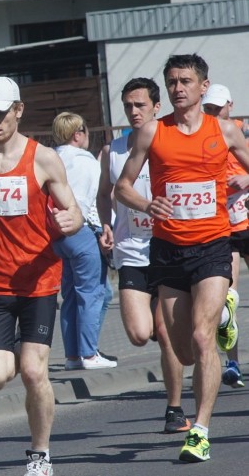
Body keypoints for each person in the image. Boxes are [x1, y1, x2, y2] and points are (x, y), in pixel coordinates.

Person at [114, 54, 249, 463]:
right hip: (168, 249)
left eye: (185, 81)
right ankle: (227, 314)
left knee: (201, 338)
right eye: (172, 81)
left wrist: (244, 179)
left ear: (203, 86)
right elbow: (122, 187)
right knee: (184, 352)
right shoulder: (152, 133)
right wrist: (146, 203)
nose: (177, 88)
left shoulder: (225, 130)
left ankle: (201, 430)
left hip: (212, 246)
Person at [0, 76, 83, 476]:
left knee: (33, 370)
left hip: (39, 282)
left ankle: (39, 455)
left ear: (18, 110)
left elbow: (74, 212)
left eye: (1, 112)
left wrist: (68, 221)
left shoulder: (42, 158)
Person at [96, 77, 190, 434]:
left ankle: (175, 409)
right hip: (131, 251)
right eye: (127, 106)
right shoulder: (113, 151)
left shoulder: (170, 144)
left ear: (156, 107)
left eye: (140, 105)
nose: (133, 112)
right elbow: (106, 194)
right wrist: (105, 225)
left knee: (165, 335)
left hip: (168, 250)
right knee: (139, 334)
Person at [51, 112, 116, 370]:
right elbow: (91, 201)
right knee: (92, 293)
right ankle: (89, 354)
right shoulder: (86, 160)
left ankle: (72, 356)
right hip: (81, 231)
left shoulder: (51, 157)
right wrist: (102, 231)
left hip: (57, 234)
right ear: (78, 133)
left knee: (70, 295)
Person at [199, 83, 244, 388]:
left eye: (218, 108)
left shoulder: (243, 132)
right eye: (209, 109)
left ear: (230, 104)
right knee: (227, 299)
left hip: (247, 219)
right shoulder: (202, 136)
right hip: (223, 227)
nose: (214, 114)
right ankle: (233, 363)